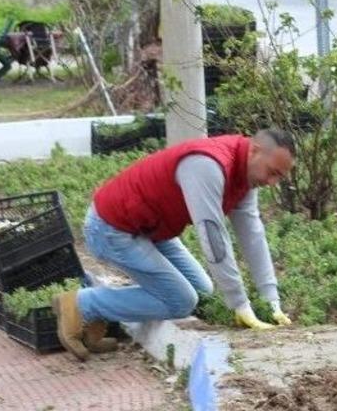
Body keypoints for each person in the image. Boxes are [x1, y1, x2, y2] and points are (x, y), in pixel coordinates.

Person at [53, 129, 295, 360]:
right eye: (272, 172)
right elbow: (213, 238)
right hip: (111, 228)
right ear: (254, 150)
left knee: (201, 290)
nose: (272, 182)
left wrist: (271, 300)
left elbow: (252, 236)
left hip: (150, 230)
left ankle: (101, 310)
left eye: (279, 177)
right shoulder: (208, 165)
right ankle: (81, 304)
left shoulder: (246, 177)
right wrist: (239, 303)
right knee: (181, 301)